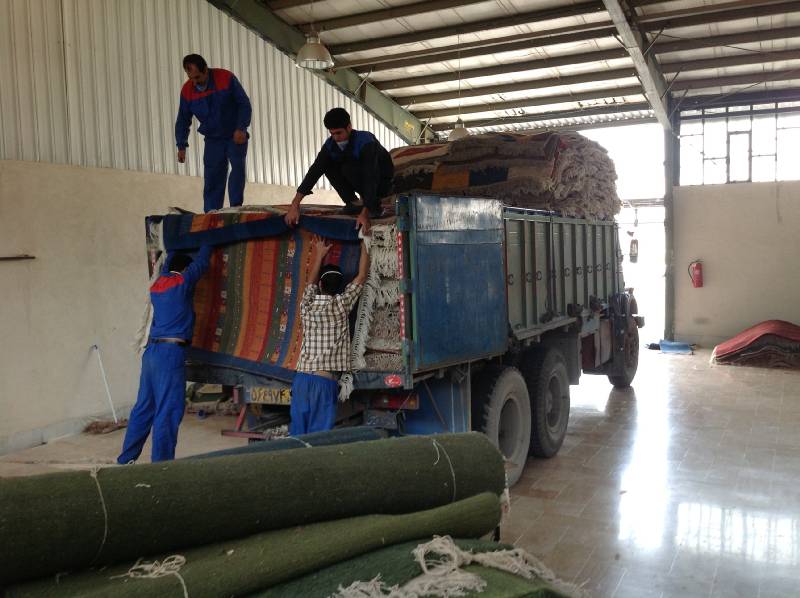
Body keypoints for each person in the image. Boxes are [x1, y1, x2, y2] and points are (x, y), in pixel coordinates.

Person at [117, 246, 212, 463]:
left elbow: (169, 265)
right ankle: (161, 466)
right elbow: (202, 263)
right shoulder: (182, 283)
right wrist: (211, 241)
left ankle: (125, 460)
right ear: (184, 269)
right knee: (167, 411)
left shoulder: (157, 285)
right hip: (170, 354)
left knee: (143, 408)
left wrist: (174, 248)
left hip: (151, 353)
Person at [290, 235, 369, 435]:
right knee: (319, 438)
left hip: (301, 381)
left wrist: (319, 254)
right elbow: (361, 277)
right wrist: (364, 241)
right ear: (339, 287)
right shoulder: (341, 305)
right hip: (324, 383)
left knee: (297, 436)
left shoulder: (306, 306)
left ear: (321, 285)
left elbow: (309, 284)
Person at [285, 108, 394, 234]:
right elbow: (314, 171)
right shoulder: (330, 145)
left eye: (339, 133)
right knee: (328, 165)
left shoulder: (365, 141)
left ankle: (372, 207)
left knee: (349, 168)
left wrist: (365, 212)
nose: (336, 138)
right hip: (359, 180)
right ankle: (353, 203)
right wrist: (295, 204)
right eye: (332, 134)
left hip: (381, 182)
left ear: (349, 127)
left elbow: (371, 176)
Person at [175, 54, 252, 213]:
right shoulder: (187, 91)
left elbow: (244, 104)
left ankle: (236, 208)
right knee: (212, 176)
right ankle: (211, 212)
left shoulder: (225, 78)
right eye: (191, 78)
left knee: (237, 169)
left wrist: (241, 128)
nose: (195, 82)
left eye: (197, 77)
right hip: (213, 139)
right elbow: (183, 119)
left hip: (234, 135)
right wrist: (181, 145)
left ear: (206, 70)